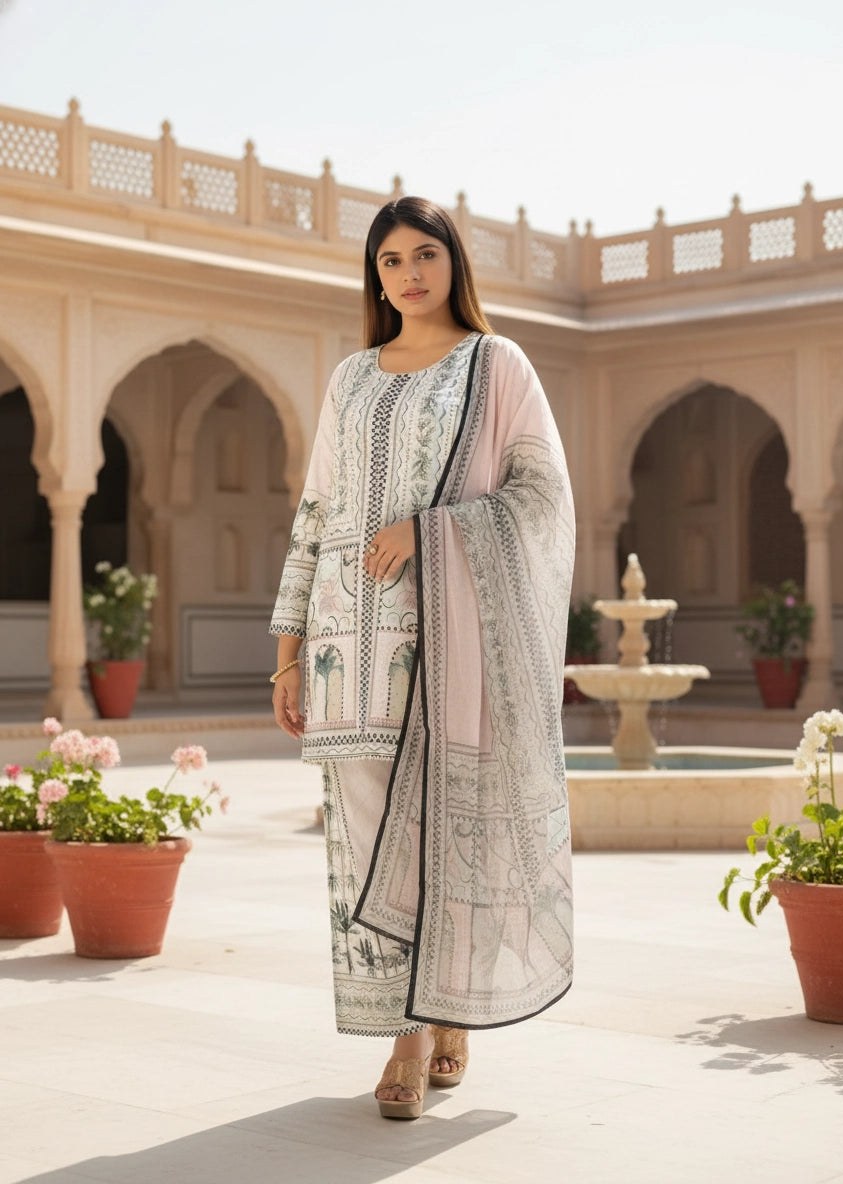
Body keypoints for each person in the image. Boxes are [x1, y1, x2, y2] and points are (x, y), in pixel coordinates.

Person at [270, 196, 574, 1120]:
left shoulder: (496, 363)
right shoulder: (352, 378)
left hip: (451, 646)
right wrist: (288, 653)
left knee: (448, 835)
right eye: (391, 260)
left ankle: (436, 1023)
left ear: (454, 263)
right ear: (376, 277)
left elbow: (542, 496)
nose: (409, 274)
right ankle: (407, 1026)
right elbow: (316, 512)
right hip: (344, 650)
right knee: (370, 845)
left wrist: (429, 529)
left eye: (425, 254)